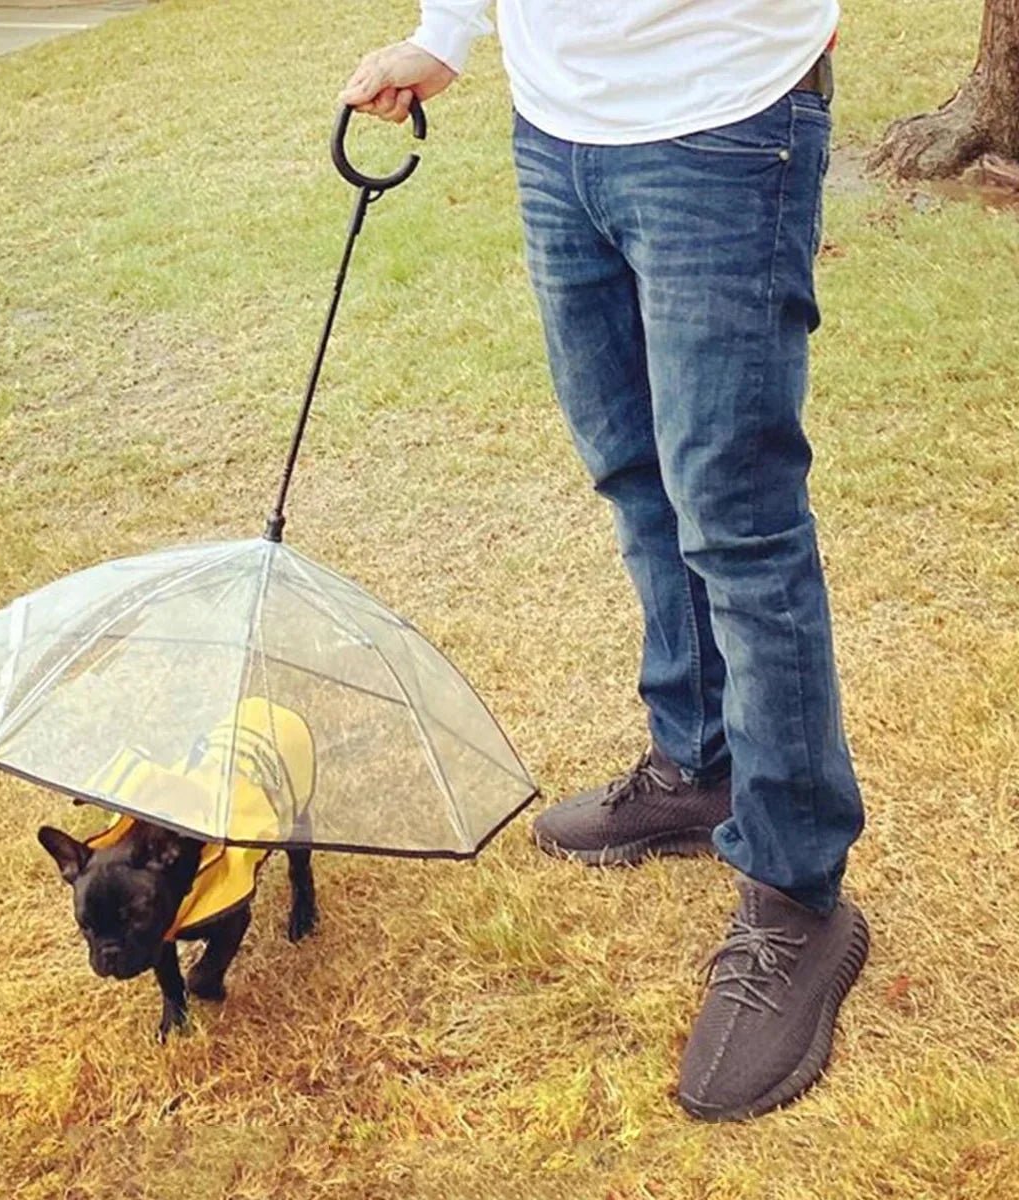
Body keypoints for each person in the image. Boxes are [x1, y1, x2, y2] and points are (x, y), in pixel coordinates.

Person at [342, 1, 868, 1122]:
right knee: (636, 477)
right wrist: (447, 35)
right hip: (557, 131)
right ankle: (698, 764)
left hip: (725, 119)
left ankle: (797, 889)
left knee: (739, 521)